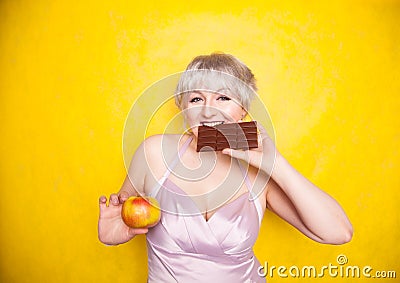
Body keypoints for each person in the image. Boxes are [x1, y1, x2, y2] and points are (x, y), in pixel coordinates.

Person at [98, 53, 353, 282]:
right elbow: (125, 212)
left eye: (223, 97)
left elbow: (338, 233)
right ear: (183, 109)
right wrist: (115, 231)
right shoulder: (154, 153)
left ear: (243, 109)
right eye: (196, 98)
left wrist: (277, 164)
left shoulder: (259, 170)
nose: (208, 111)